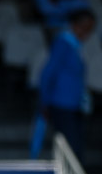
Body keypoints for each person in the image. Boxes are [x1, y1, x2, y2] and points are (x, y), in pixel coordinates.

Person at [38, 8, 95, 163]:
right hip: (61, 105)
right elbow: (48, 73)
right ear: (76, 25)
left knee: (75, 149)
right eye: (86, 28)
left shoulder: (76, 46)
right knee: (71, 150)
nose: (88, 33)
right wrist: (44, 102)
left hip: (74, 105)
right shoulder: (63, 42)